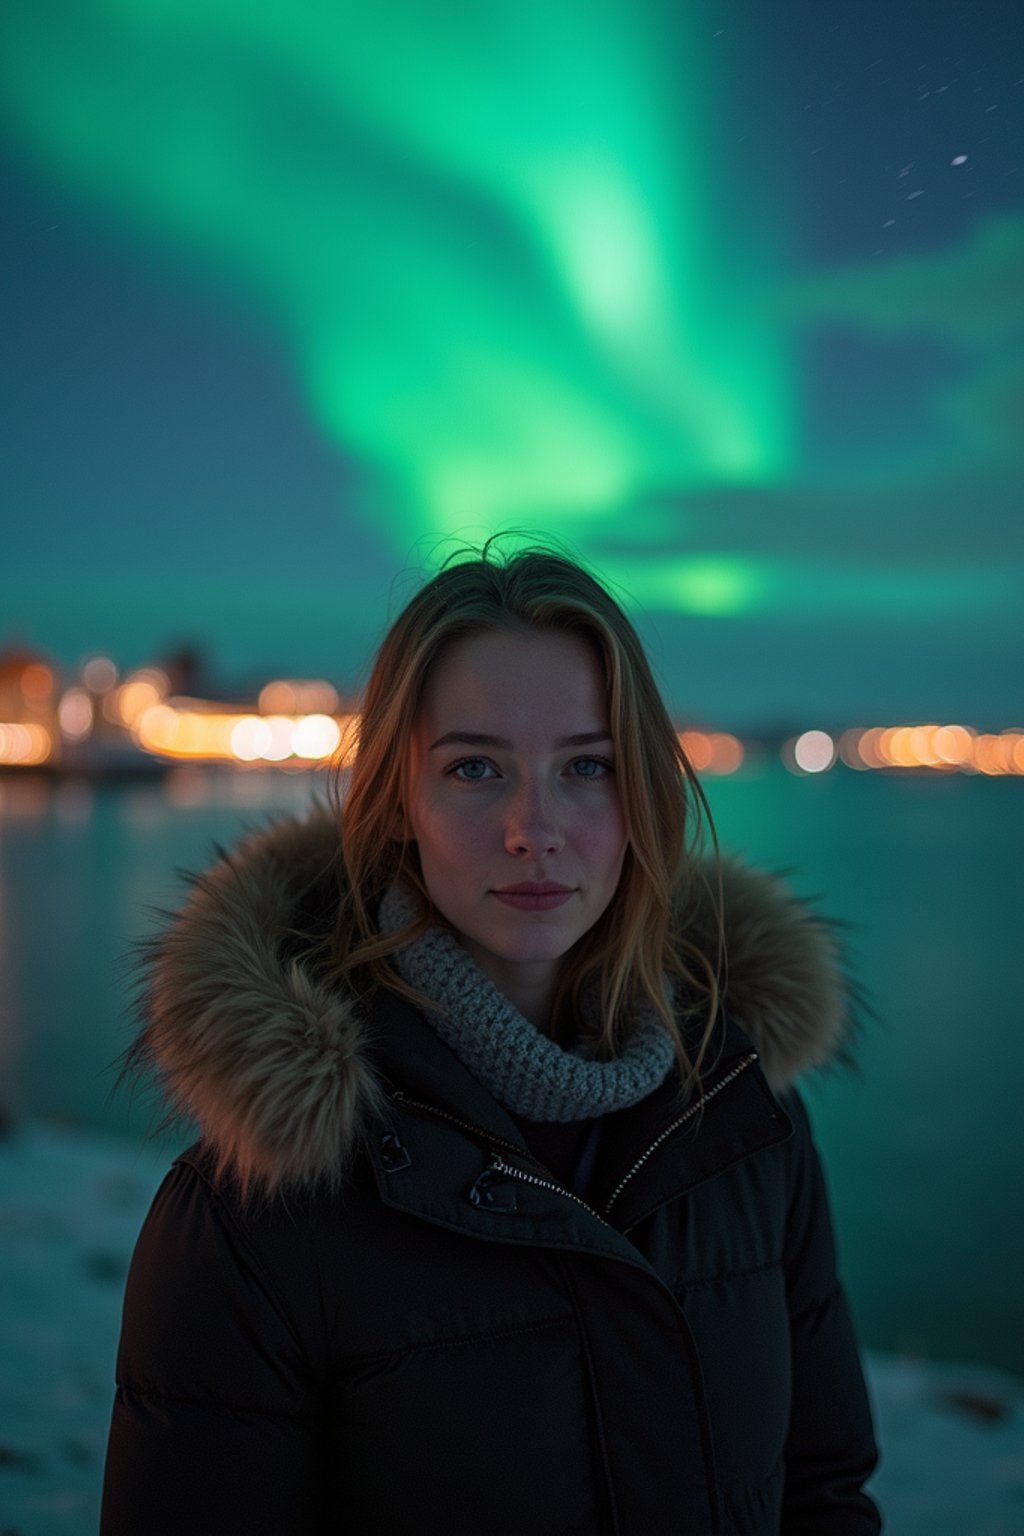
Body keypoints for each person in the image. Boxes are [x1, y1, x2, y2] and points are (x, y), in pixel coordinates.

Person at [101, 539, 882, 1534]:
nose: (532, 827)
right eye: (474, 767)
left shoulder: (746, 1118)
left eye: (586, 767)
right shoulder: (260, 1207)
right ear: (398, 805)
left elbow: (823, 1492)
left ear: (642, 795)